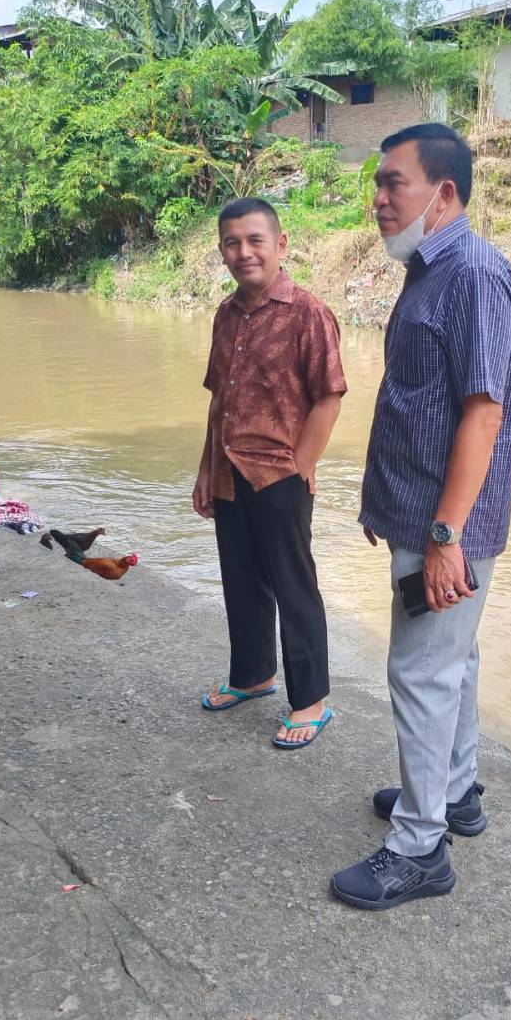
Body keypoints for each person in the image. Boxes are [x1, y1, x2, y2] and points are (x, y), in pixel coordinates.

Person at [330, 124, 511, 909]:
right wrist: (392, 505)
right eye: (376, 186)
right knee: (456, 661)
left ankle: (420, 848)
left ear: (443, 194)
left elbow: (483, 415)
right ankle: (456, 791)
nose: (379, 200)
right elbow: (421, 400)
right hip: (422, 516)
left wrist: (444, 535)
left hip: (450, 530)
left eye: (393, 183)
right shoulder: (429, 266)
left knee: (419, 671)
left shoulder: (472, 274)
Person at [194, 197, 346, 748]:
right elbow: (219, 402)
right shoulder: (225, 314)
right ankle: (253, 676)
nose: (244, 252)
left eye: (255, 240)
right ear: (222, 251)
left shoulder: (308, 312)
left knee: (293, 584)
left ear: (280, 245)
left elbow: (328, 399)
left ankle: (311, 701)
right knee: (240, 577)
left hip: (280, 472)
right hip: (230, 470)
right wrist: (206, 469)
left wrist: (300, 468)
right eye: (232, 242)